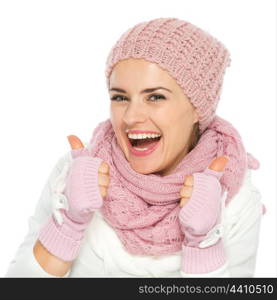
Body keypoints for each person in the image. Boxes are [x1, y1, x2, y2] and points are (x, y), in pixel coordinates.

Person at [5, 17, 265, 278]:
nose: (130, 117)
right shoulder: (76, 175)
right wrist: (68, 225)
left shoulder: (234, 199)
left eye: (155, 97)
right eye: (120, 97)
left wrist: (204, 244)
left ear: (198, 107)